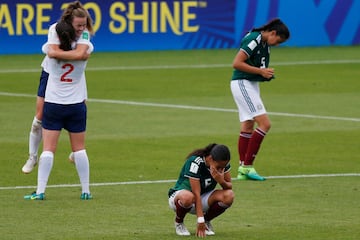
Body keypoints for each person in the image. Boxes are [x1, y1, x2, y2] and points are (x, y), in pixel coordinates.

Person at [24, 1, 94, 200]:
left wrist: (57, 55)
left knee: (49, 149)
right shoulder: (83, 49)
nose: (82, 29)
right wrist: (76, 56)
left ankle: (40, 191)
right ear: (69, 24)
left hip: (54, 103)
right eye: (79, 26)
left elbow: (51, 51)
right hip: (76, 104)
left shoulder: (54, 48)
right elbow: (81, 54)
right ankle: (86, 190)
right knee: (79, 149)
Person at [230, 18, 290, 181]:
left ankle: (243, 169)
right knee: (265, 124)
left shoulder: (264, 44)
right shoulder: (254, 39)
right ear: (272, 33)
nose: (276, 44)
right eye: (277, 40)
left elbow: (258, 68)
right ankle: (247, 166)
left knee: (248, 126)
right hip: (243, 83)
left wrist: (265, 75)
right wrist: (260, 72)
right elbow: (236, 63)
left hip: (251, 84)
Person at [168, 143, 234, 237]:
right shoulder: (195, 162)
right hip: (181, 198)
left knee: (229, 195)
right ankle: (179, 222)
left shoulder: (223, 164)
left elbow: (228, 187)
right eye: (219, 166)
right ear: (210, 158)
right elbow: (196, 193)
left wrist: (221, 180)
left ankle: (207, 222)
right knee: (188, 197)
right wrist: (200, 220)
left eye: (223, 167)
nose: (221, 169)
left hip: (202, 199)